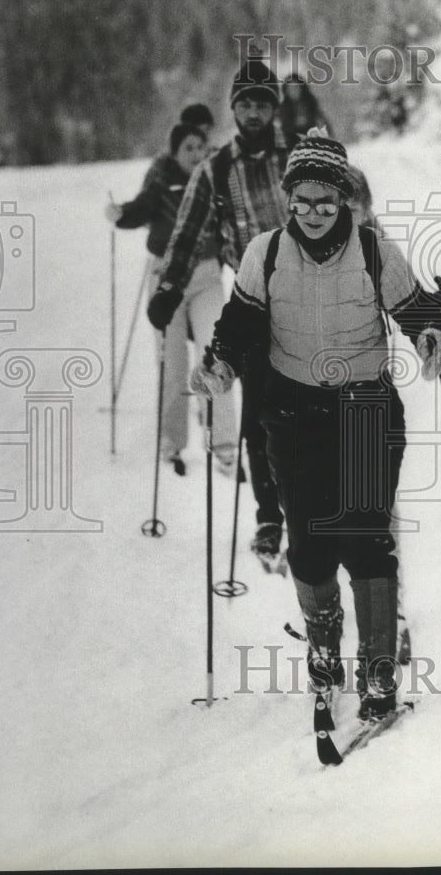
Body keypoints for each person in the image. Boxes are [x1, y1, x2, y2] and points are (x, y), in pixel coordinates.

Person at [189, 129, 441, 720]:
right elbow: (238, 326)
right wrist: (219, 366)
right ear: (290, 201)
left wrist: (434, 338)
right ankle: (323, 644)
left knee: (366, 536)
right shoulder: (264, 253)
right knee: (308, 544)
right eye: (303, 201)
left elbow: (417, 314)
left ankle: (379, 669)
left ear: (344, 200)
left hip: (365, 411)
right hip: (293, 414)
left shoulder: (374, 251)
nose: (314, 213)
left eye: (326, 201)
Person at [147, 55, 297, 558]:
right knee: (257, 416)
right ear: (234, 108)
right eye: (245, 103)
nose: (254, 112)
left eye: (262, 102)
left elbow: (347, 214)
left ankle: (319, 510)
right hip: (252, 303)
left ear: (274, 108)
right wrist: (169, 289)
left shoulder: (298, 154)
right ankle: (269, 518)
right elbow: (188, 232)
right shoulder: (216, 168)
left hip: (310, 298)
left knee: (315, 410)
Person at [106, 116, 237, 477]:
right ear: (174, 152)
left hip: (208, 275)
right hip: (166, 278)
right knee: (173, 364)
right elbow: (140, 210)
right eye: (187, 148)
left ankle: (225, 446)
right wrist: (121, 214)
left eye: (200, 146)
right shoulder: (162, 181)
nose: (195, 154)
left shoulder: (215, 178)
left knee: (217, 356)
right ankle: (172, 441)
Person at [278, 74, 332, 141]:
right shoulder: (283, 109)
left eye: (296, 87)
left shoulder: (311, 105)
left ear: (302, 88)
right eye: (290, 88)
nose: (293, 91)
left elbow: (323, 127)